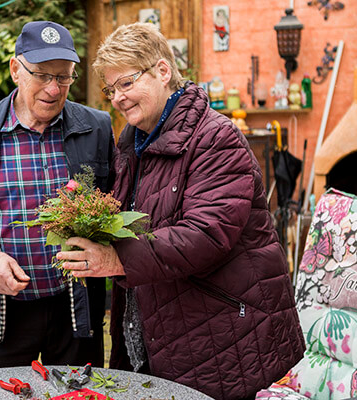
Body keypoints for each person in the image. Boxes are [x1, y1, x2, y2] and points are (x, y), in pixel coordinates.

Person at [56, 23, 305, 400]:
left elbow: (206, 233)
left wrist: (115, 259)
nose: (117, 98)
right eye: (111, 89)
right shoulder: (134, 142)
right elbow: (136, 221)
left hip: (226, 336)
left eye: (126, 83)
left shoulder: (216, 137)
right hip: (165, 333)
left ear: (162, 71)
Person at [0, 21, 114, 371]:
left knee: (82, 395)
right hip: (1, 311)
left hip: (75, 309)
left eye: (63, 77)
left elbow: (117, 202)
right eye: (42, 75)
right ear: (16, 69)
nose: (53, 88)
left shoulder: (96, 128)